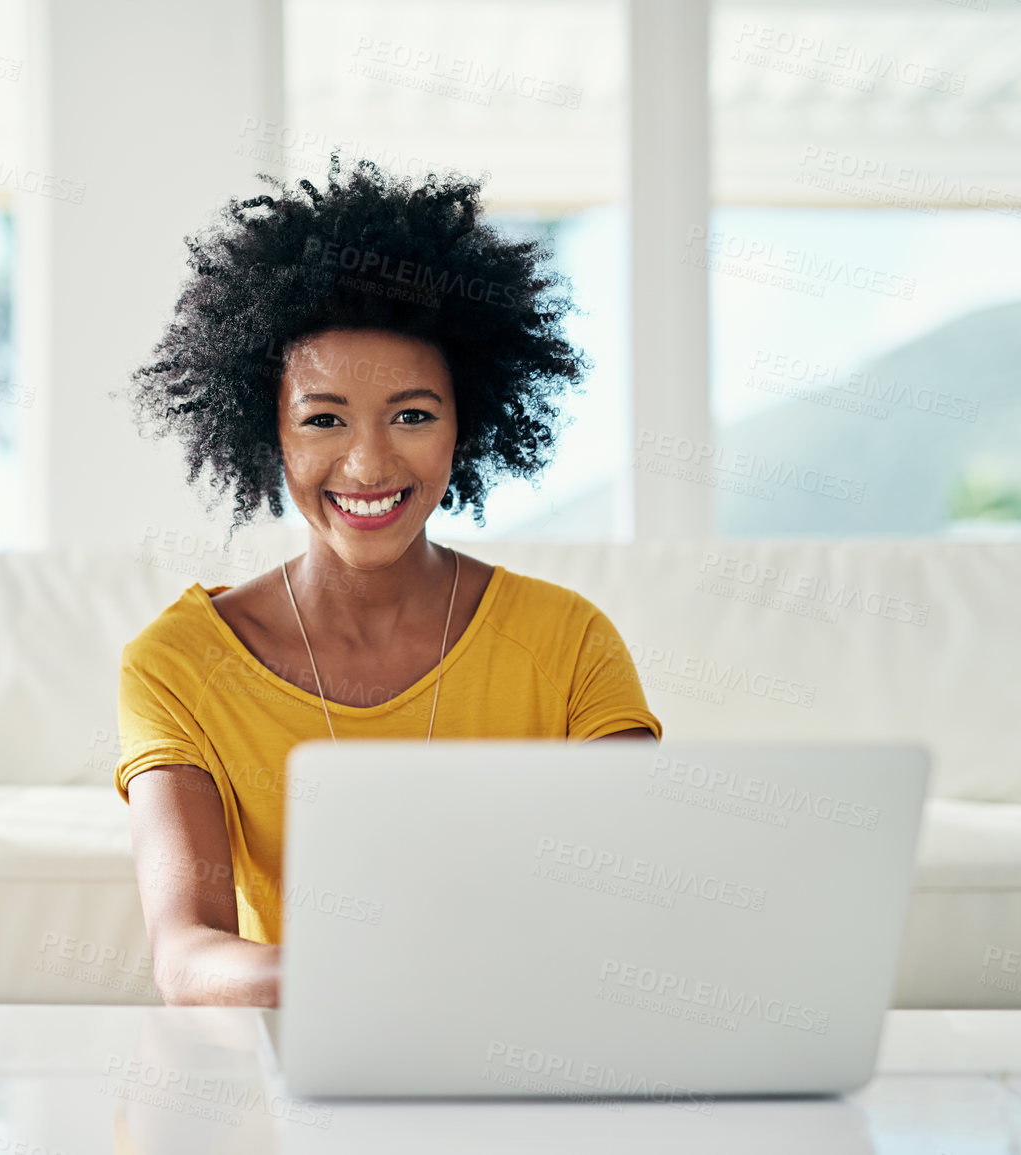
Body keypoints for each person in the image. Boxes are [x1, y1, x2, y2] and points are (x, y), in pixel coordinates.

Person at [114, 156, 660, 1008]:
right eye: (323, 419)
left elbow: (641, 911)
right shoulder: (177, 664)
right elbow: (186, 958)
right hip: (309, 1067)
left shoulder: (567, 643)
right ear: (270, 434)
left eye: (412, 414)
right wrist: (374, 978)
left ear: (463, 425)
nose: (368, 464)